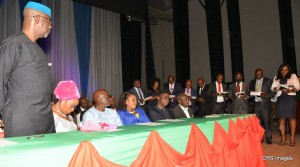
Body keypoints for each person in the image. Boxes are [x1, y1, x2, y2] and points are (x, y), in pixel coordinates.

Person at [0, 2, 54, 137]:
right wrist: (5, 113)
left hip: (45, 122)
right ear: (37, 19)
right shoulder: (14, 43)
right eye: (49, 21)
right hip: (23, 123)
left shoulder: (38, 49)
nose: (50, 26)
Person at [271, 64, 300, 146]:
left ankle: (292, 137)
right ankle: (283, 137)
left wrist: (290, 90)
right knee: (281, 118)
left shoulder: (293, 76)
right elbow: (272, 88)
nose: (283, 71)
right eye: (282, 70)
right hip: (281, 99)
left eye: (285, 69)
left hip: (290, 99)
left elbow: (298, 87)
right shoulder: (276, 77)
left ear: (288, 70)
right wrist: (277, 88)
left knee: (291, 118)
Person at [249, 68, 274, 144]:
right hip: (256, 105)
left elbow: (273, 93)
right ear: (255, 74)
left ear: (262, 73)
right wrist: (250, 93)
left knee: (267, 122)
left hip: (265, 105)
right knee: (257, 123)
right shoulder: (252, 82)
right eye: (257, 74)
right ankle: (259, 138)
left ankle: (268, 138)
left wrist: (265, 95)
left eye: (260, 74)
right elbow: (249, 91)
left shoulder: (268, 81)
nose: (258, 75)